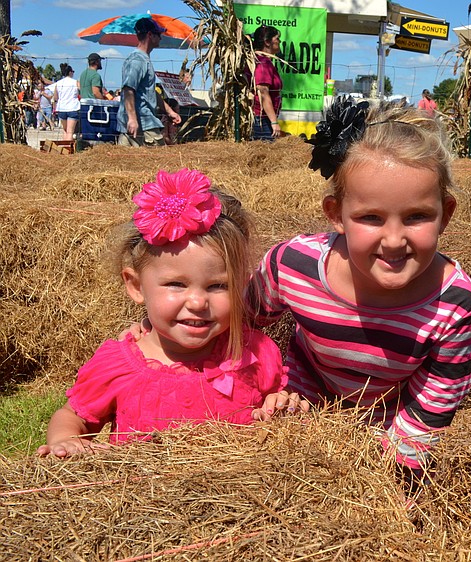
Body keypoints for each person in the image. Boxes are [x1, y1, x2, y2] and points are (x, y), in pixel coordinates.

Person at [251, 97, 471, 498]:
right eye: (371, 218)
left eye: (416, 217)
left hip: (387, 418)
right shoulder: (293, 264)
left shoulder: (455, 302)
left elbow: (434, 400)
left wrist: (388, 468)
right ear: (336, 213)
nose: (394, 240)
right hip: (300, 398)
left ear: (446, 213)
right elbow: (241, 319)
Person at [36, 169, 305, 459]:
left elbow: (274, 405)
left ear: (241, 285)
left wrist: (281, 406)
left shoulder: (254, 353)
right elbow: (74, 414)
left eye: (218, 286)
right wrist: (65, 439)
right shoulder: (117, 365)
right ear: (136, 286)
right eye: (176, 285)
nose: (198, 302)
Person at [118, 17, 181, 147]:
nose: (161, 38)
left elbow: (150, 92)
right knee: (159, 163)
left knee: (127, 164)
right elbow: (128, 90)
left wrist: (170, 112)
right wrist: (132, 119)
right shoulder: (137, 60)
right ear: (150, 35)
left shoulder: (143, 60)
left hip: (138, 123)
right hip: (142, 124)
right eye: (158, 34)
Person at [248, 25, 283, 141]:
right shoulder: (263, 63)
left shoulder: (260, 60)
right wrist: (273, 122)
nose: (279, 41)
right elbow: (262, 92)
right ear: (267, 42)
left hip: (261, 119)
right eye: (277, 39)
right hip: (262, 121)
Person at [44, 63, 79, 141]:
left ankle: (64, 148)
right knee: (70, 132)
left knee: (65, 130)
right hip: (72, 107)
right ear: (70, 72)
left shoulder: (58, 83)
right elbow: (82, 92)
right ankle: (69, 150)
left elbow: (56, 97)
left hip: (61, 108)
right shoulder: (75, 82)